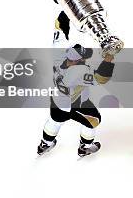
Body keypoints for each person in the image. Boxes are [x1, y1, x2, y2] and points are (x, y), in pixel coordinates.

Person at [37, 12, 116, 157]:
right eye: (83, 58)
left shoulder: (58, 53)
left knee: (54, 121)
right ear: (78, 60)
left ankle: (45, 144)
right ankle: (85, 147)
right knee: (94, 120)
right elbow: (101, 78)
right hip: (76, 104)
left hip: (57, 100)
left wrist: (69, 10)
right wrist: (110, 56)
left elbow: (59, 25)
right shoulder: (79, 71)